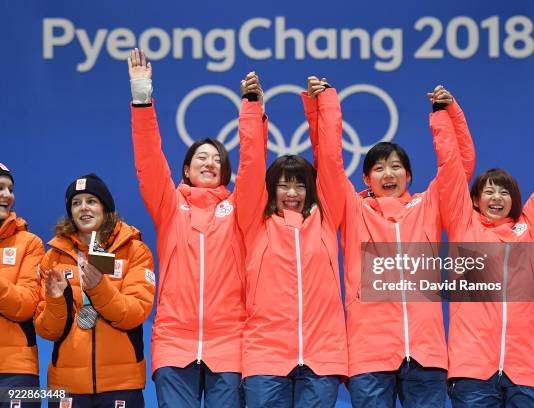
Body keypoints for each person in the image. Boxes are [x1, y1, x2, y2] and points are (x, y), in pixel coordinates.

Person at [306, 83, 475, 407]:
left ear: (409, 176)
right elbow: (327, 158)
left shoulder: (428, 206)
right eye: (379, 167)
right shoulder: (353, 210)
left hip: (426, 353)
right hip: (369, 353)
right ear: (366, 179)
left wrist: (446, 114)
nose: (388, 173)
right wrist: (325, 103)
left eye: (396, 166)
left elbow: (460, 165)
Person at [437, 107, 534, 407]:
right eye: (488, 192)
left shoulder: (528, 230)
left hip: (523, 372)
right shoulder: (463, 227)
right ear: (475, 200)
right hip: (472, 371)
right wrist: (443, 115)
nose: (496, 198)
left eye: (504, 193)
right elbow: (450, 171)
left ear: (513, 200)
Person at [128, 48, 246, 407]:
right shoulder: (169, 206)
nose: (209, 162)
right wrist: (141, 95)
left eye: (217, 159)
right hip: (174, 341)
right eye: (201, 157)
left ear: (226, 172)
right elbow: (149, 158)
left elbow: (256, 166)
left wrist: (252, 113)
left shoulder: (240, 209)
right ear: (186, 170)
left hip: (229, 341)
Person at [235, 72, 347, 407]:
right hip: (265, 355)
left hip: (322, 355)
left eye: (300, 185)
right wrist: (252, 107)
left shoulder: (326, 219)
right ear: (271, 189)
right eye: (284, 185)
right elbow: (251, 162)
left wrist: (325, 104)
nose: (293, 192)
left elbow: (330, 158)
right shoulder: (255, 222)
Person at [34, 173, 155, 408]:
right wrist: (57, 299)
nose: (83, 208)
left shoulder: (134, 251)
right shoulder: (53, 257)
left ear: (105, 206)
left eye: (91, 201)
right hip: (67, 386)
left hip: (121, 383)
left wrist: (99, 287)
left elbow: (134, 313)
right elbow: (47, 330)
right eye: (76, 203)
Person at [0, 164, 45, 408]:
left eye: (10, 189)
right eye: (0, 188)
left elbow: (27, 305)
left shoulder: (30, 243)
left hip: (16, 370)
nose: (7, 195)